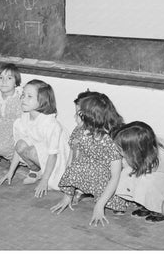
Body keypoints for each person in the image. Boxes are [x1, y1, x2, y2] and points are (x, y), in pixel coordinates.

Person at [51, 92, 127, 227]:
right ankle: (83, 192)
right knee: (75, 166)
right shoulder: (79, 131)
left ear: (92, 117)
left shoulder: (110, 140)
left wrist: (99, 206)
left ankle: (105, 198)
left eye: (78, 114)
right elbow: (72, 160)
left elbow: (115, 176)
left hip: (106, 176)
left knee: (112, 203)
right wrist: (67, 194)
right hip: (88, 170)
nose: (74, 117)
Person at [0, 79, 70, 198]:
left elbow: (53, 155)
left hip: (57, 159)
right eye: (23, 95)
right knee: (20, 144)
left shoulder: (50, 124)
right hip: (42, 154)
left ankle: (45, 175)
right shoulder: (25, 117)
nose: (23, 99)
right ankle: (36, 171)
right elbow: (18, 148)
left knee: (54, 183)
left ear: (42, 101)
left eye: (29, 96)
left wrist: (45, 181)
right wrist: (10, 171)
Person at [113, 121, 164, 223]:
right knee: (127, 173)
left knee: (147, 180)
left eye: (121, 150)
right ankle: (148, 204)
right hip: (154, 178)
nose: (118, 152)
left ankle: (161, 207)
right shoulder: (144, 149)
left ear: (135, 150)